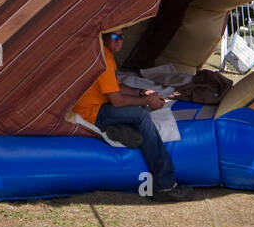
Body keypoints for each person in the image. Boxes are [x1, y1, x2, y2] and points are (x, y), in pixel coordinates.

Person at [73, 30, 193, 201]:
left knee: (137, 112)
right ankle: (164, 185)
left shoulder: (104, 54)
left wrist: (142, 92)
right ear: (103, 37)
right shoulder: (104, 59)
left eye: (121, 37)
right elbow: (117, 100)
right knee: (142, 116)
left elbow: (117, 87)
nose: (119, 40)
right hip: (92, 112)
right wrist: (146, 101)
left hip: (98, 106)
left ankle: (117, 128)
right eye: (114, 36)